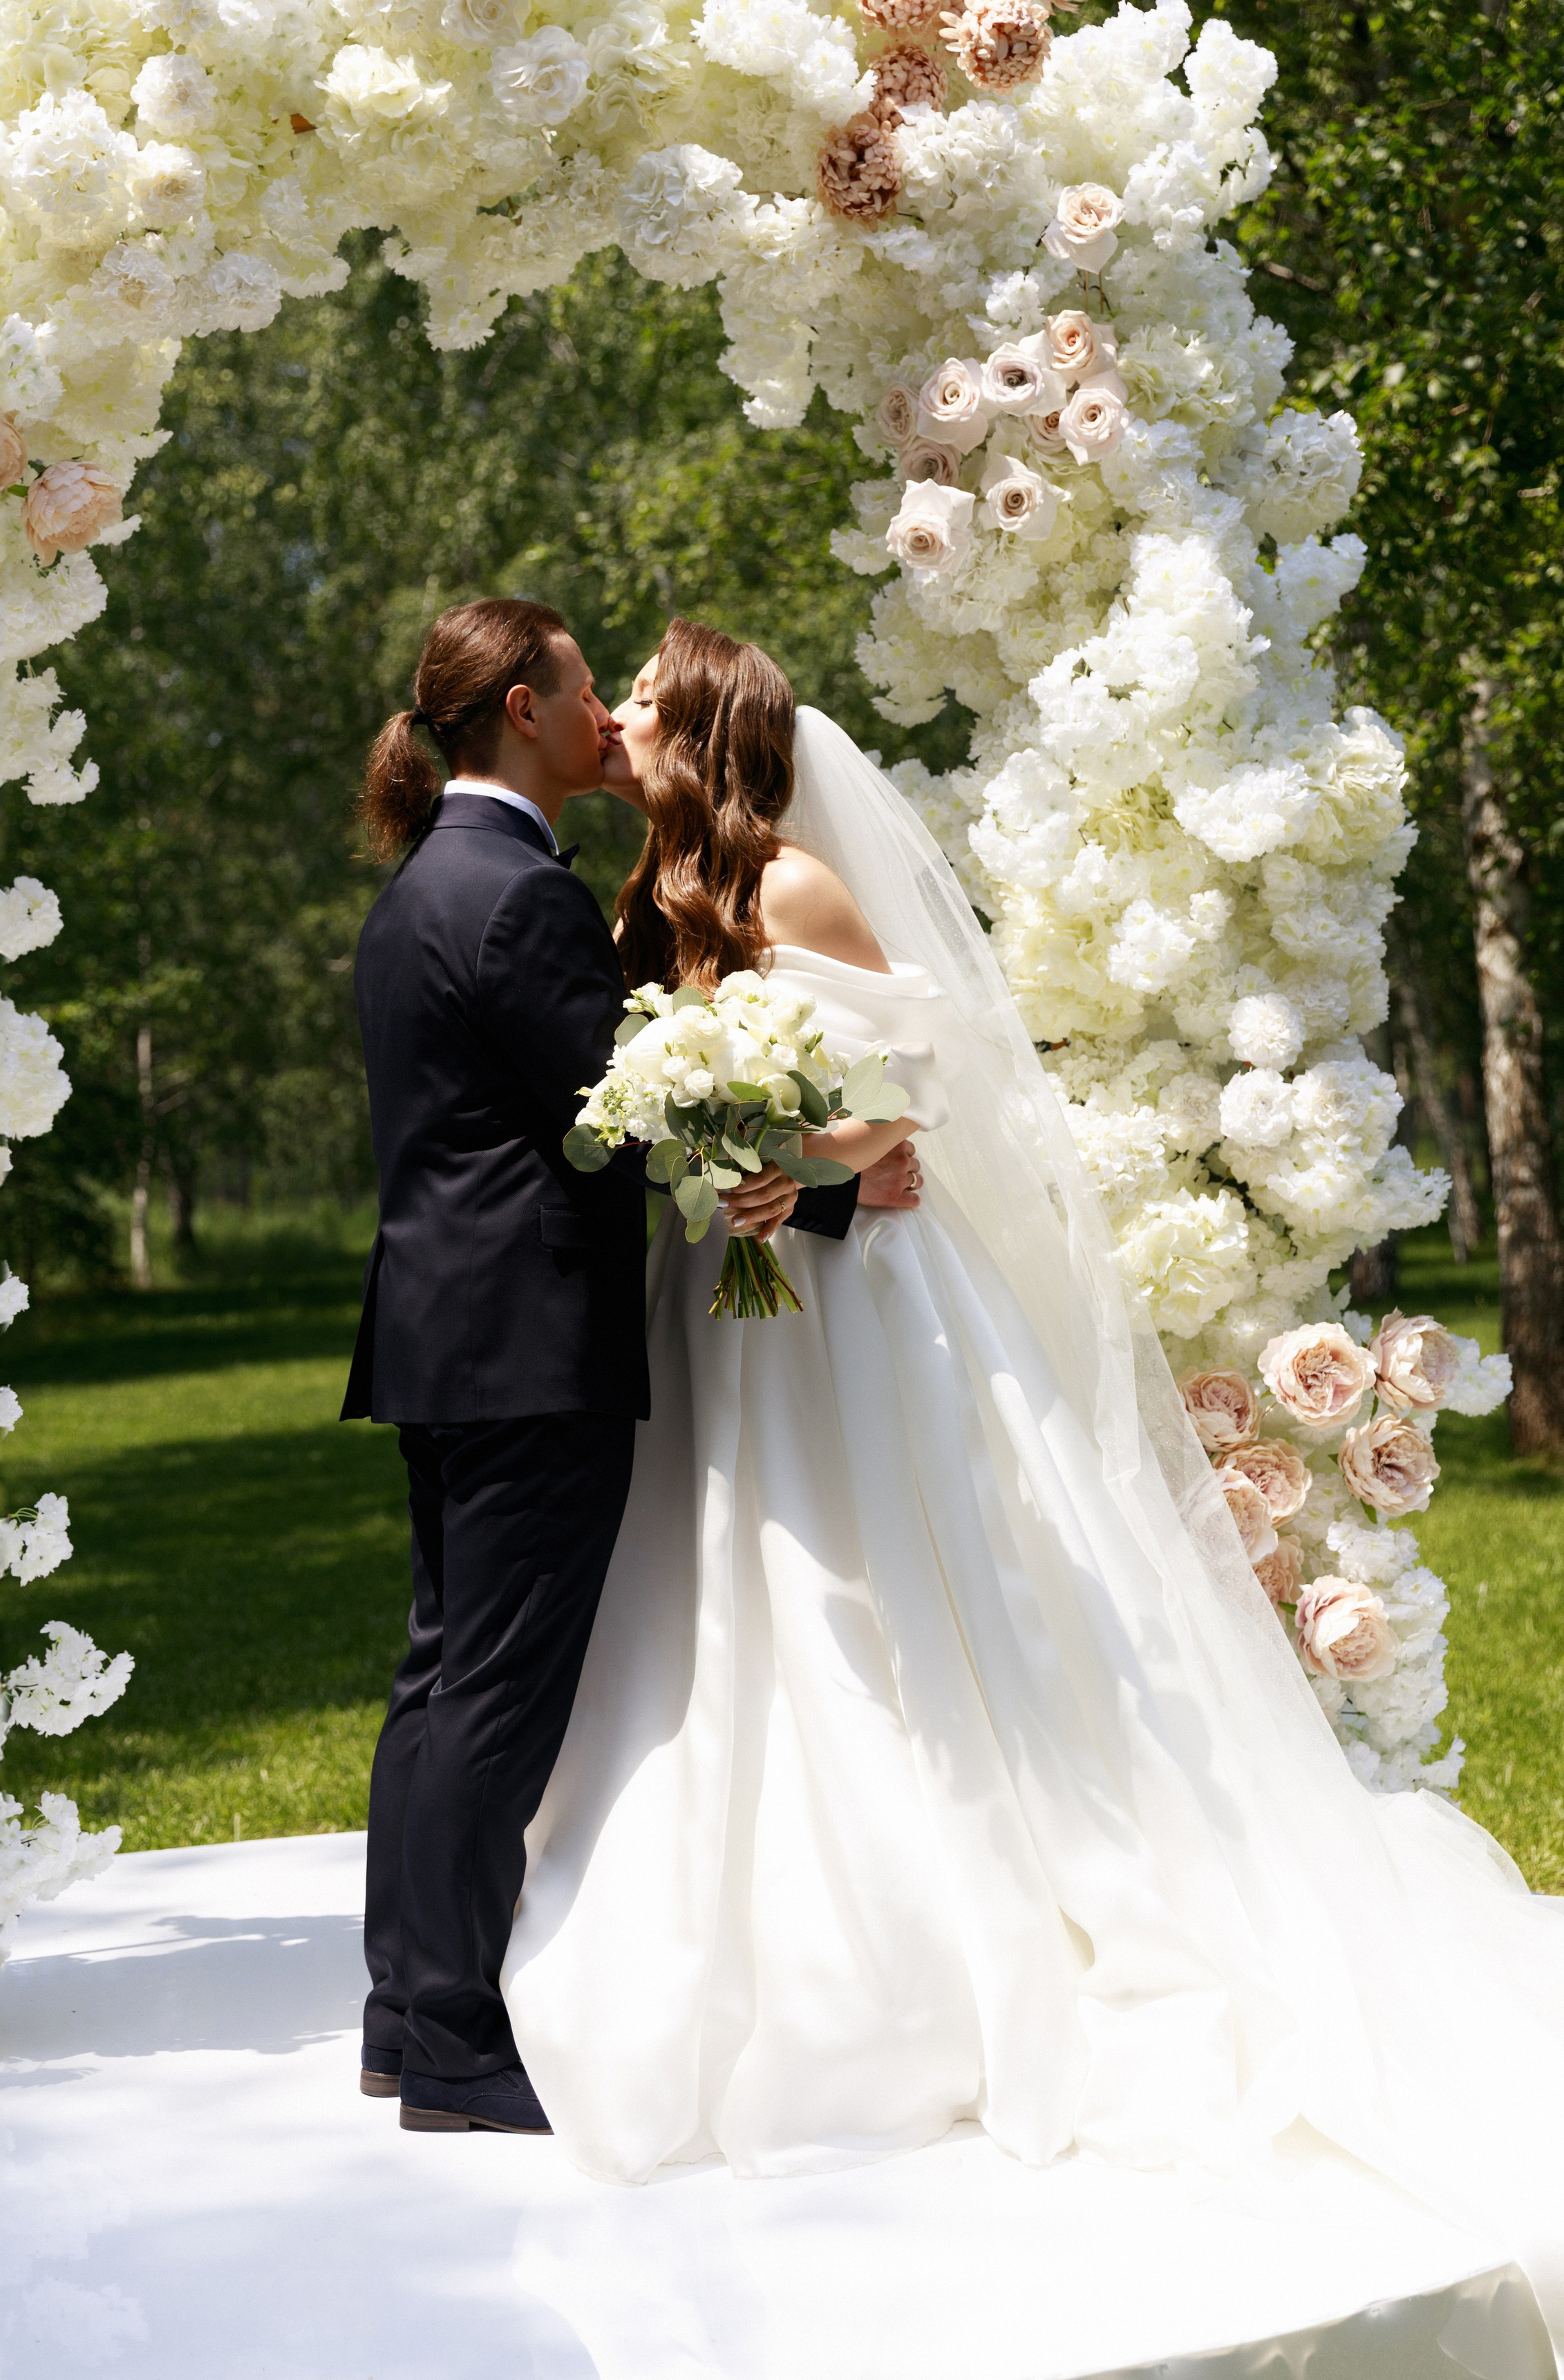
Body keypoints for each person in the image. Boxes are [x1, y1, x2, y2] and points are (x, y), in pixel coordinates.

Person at [500, 618, 1564, 2338]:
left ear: (702, 732)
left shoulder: (794, 891)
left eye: (637, 695)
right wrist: (728, 1162)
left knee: (887, 1580)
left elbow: (908, 1111)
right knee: (727, 1574)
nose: (615, 715)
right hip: (729, 1300)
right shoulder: (649, 899)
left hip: (857, 1309)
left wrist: (790, 1161)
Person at [341, 598, 917, 2136]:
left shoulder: (425, 886)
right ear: (522, 707)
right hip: (531, 1347)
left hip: (440, 1337)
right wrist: (847, 1185)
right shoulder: (519, 896)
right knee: (494, 1696)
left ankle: (404, 2010)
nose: (608, 717)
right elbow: (629, 1114)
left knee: (439, 1678)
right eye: (589, 692)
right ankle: (458, 2043)